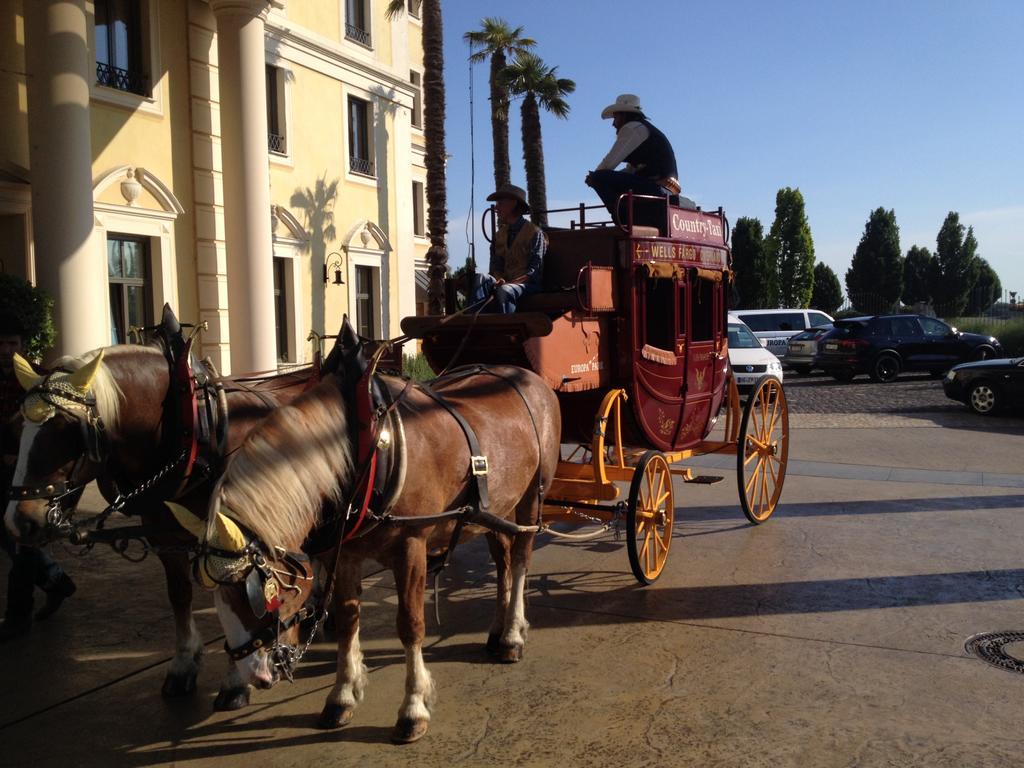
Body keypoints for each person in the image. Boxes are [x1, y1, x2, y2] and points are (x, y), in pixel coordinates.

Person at [0, 312, 75, 642]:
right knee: (8, 535)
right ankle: (58, 582)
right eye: (0, 343)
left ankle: (18, 618)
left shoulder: (40, 382)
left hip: (33, 479)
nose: (5, 349)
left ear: (23, 347)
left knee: (23, 546)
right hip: (3, 472)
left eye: (12, 343)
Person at [585, 94, 684, 228]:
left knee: (600, 177)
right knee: (608, 177)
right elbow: (632, 169)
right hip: (666, 189)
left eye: (615, 118)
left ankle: (623, 218)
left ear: (624, 115)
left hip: (659, 188)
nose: (613, 124)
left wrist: (594, 177)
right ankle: (632, 215)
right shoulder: (643, 129)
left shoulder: (632, 128)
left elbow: (609, 163)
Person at [471, 184, 547, 314]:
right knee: (481, 278)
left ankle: (506, 327)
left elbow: (533, 272)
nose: (496, 207)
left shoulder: (535, 233)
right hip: (505, 283)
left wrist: (509, 283)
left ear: (513, 204)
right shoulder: (499, 235)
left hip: (527, 285)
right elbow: (496, 266)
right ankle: (475, 321)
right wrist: (499, 278)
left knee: (505, 290)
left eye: (500, 203)